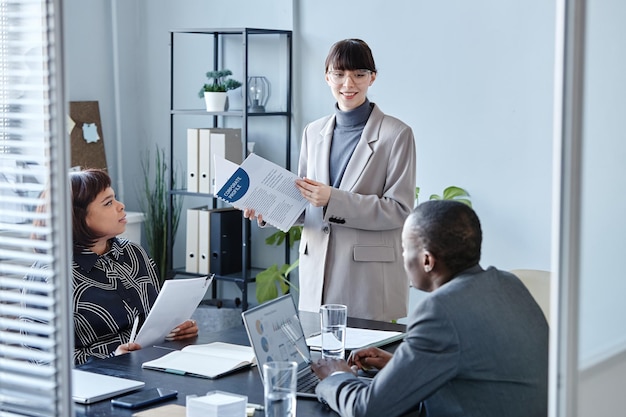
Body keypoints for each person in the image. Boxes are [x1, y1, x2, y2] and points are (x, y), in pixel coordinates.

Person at [310, 200, 549, 417]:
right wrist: (401, 367)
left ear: (427, 261)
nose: (403, 258)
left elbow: (367, 410)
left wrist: (335, 375)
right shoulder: (508, 283)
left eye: (405, 249)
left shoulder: (440, 311)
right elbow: (481, 370)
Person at [246, 39, 416, 321]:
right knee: (319, 361)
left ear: (372, 77)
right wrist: (269, 209)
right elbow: (306, 202)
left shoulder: (396, 134)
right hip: (318, 273)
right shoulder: (313, 132)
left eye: (358, 74)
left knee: (365, 362)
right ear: (327, 76)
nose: (348, 83)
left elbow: (399, 210)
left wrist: (333, 200)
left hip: (367, 279)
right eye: (339, 74)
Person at [24, 169, 199, 365]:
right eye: (108, 203)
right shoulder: (49, 275)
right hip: (95, 384)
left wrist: (176, 331)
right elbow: (43, 360)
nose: (121, 206)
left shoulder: (134, 253)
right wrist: (112, 359)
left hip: (152, 366)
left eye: (115, 198)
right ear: (75, 216)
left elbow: (154, 322)